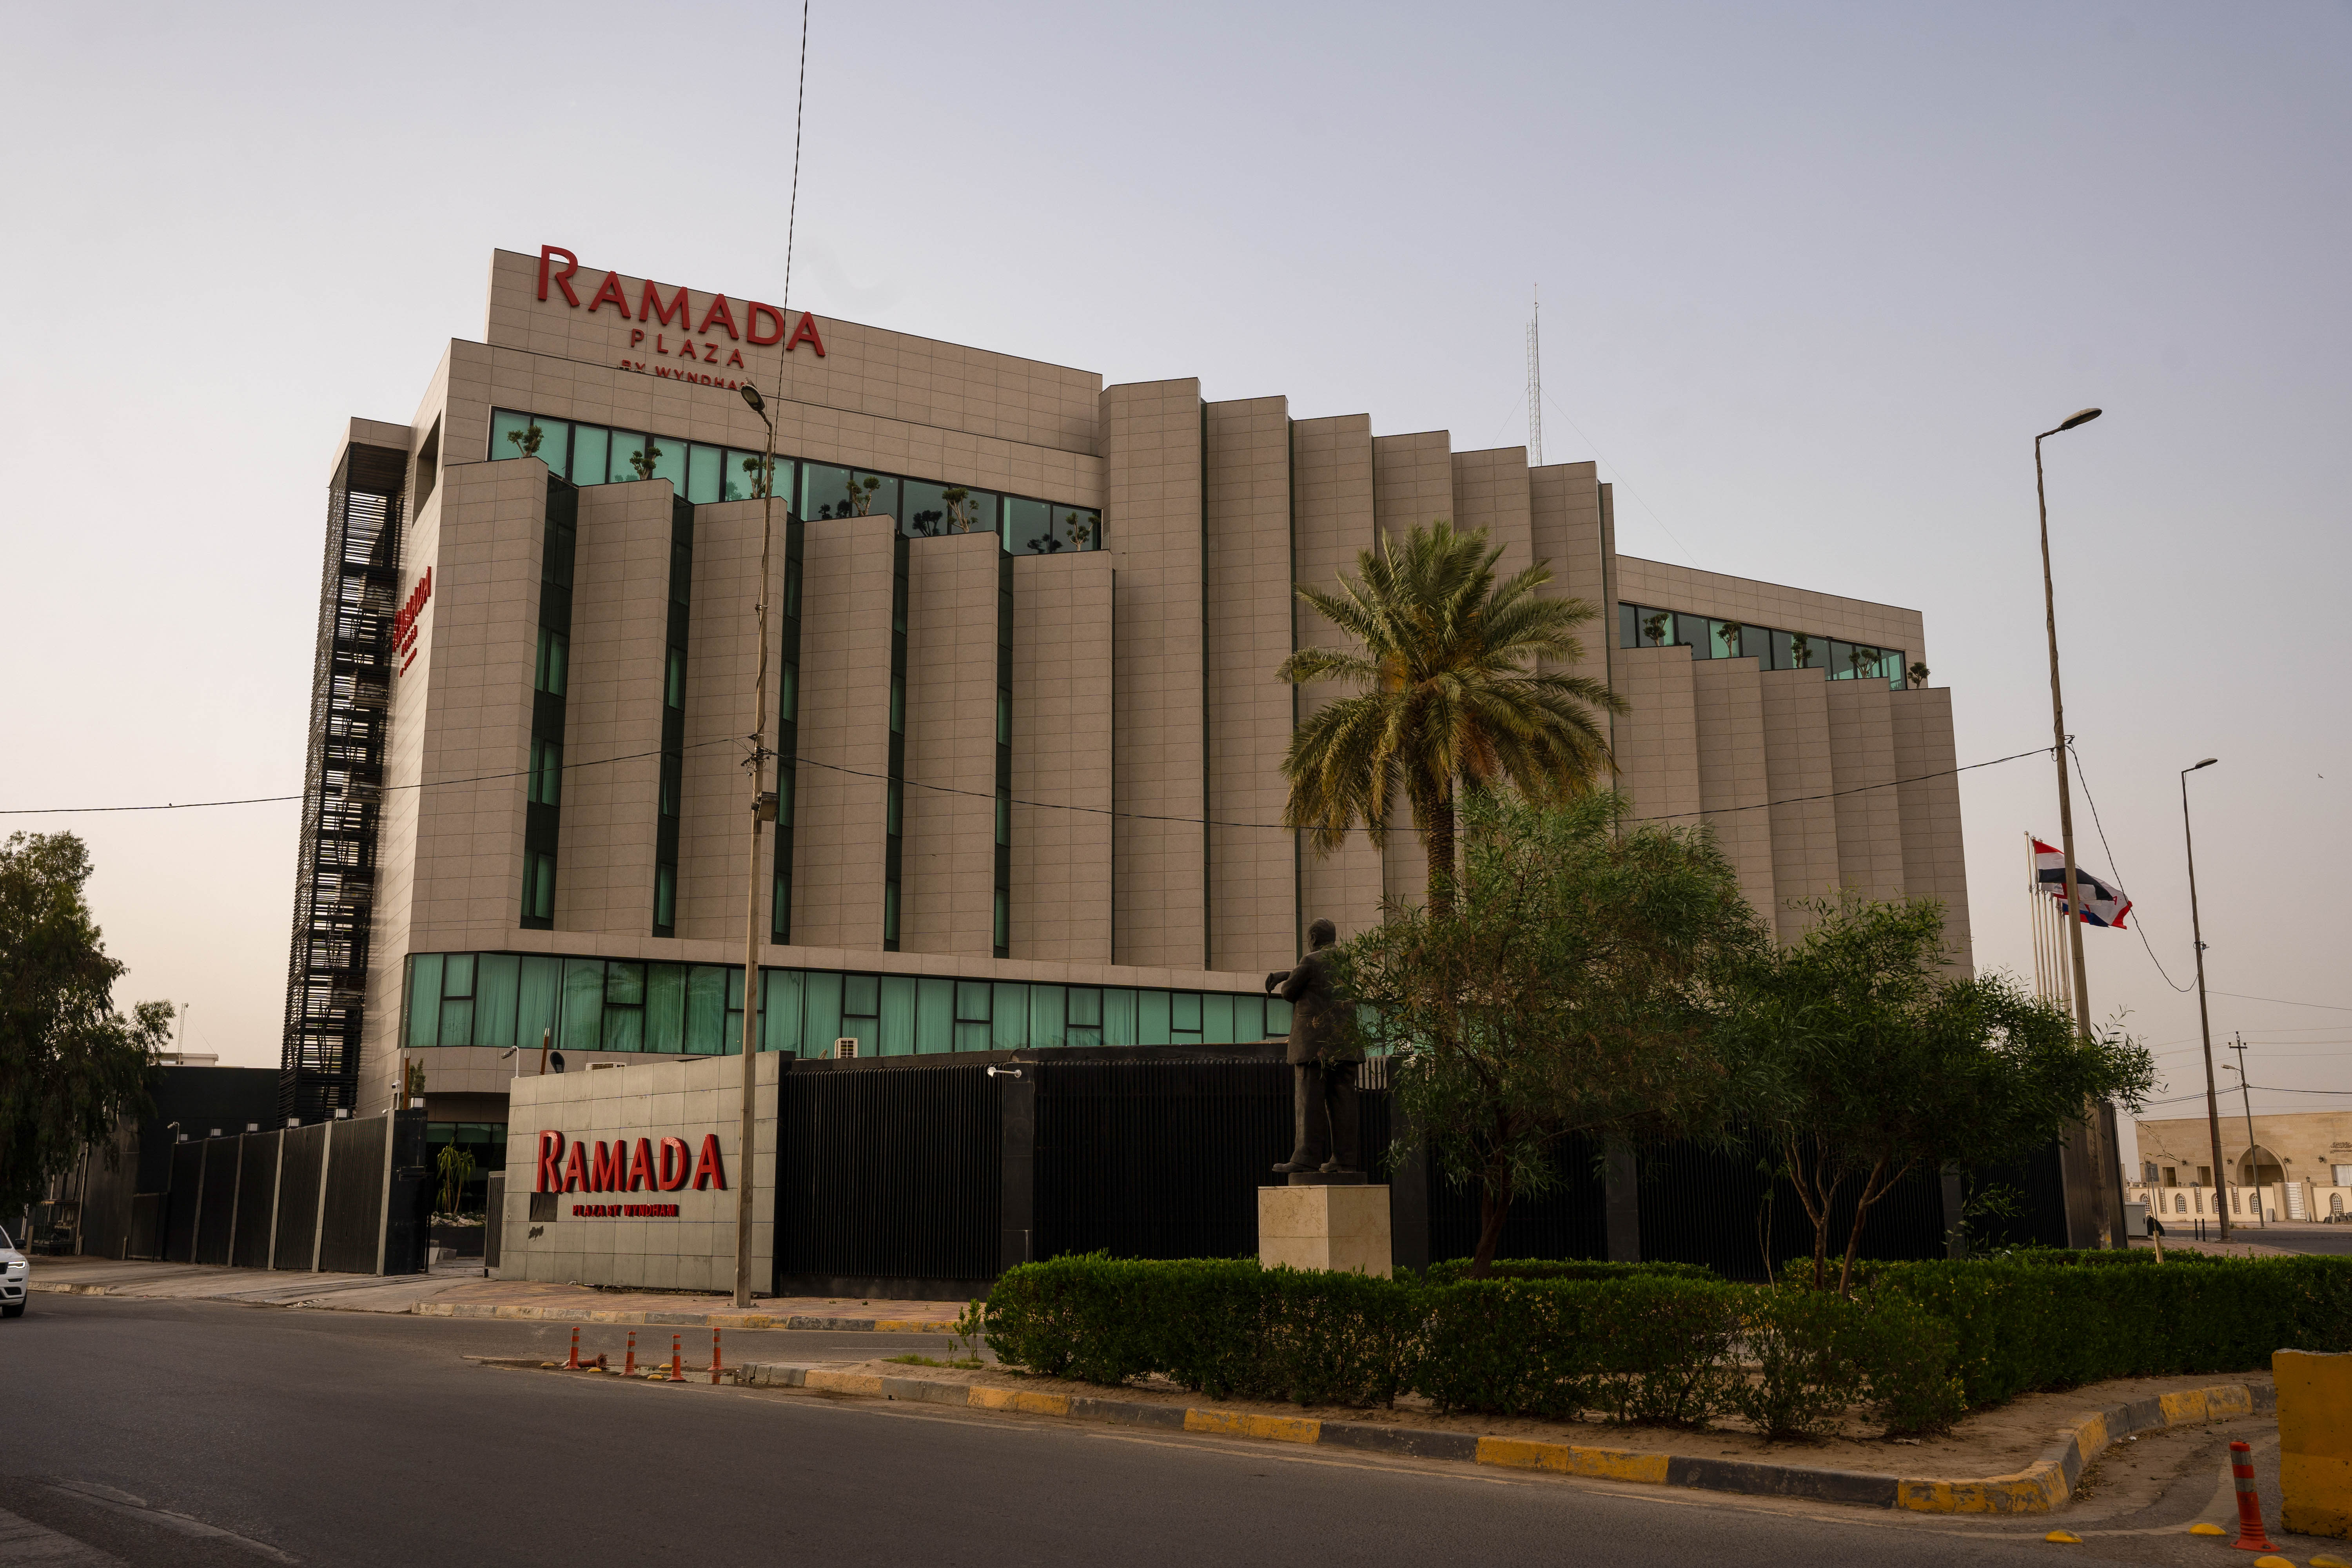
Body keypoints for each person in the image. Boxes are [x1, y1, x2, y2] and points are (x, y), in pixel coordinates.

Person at [1267, 919, 1362, 1175]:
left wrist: (1285, 978)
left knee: (1309, 1101)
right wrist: (1288, 972)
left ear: (1313, 937)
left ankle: (1306, 1158)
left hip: (1314, 1047)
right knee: (1343, 1104)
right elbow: (1321, 977)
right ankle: (1345, 1160)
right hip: (1345, 1046)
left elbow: (1289, 992)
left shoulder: (1309, 960)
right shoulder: (1346, 962)